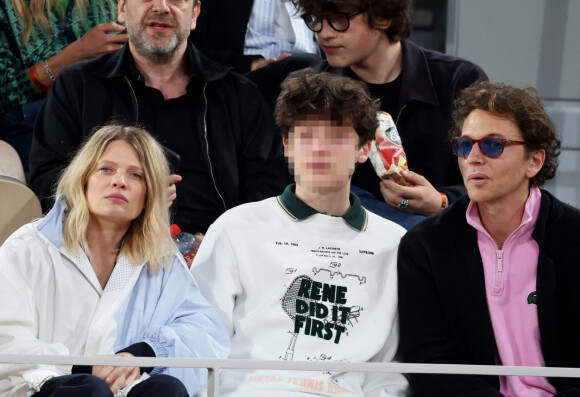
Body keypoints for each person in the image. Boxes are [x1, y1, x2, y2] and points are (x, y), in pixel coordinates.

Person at [190, 71, 433, 397]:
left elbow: (389, 362)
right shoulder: (237, 226)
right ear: (286, 146)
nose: (320, 147)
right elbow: (200, 335)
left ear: (365, 149)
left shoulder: (394, 244)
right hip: (251, 396)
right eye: (306, 134)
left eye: (339, 135)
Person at [0, 124, 230, 397]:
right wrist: (88, 370)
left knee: (167, 392)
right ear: (83, 178)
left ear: (153, 194)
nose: (119, 181)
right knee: (86, 393)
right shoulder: (29, 247)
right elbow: (7, 338)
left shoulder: (160, 259)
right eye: (106, 169)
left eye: (136, 175)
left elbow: (207, 337)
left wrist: (140, 354)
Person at [397, 81, 580, 397]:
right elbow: (428, 363)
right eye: (465, 145)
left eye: (493, 145)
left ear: (534, 161)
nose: (474, 157)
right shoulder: (425, 246)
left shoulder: (575, 238)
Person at [28, 0, 290, 234]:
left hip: (218, 258)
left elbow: (269, 189)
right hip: (108, 253)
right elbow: (45, 183)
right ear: (121, 8)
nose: (162, 7)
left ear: (195, 13)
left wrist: (224, 243)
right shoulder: (78, 86)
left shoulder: (239, 95)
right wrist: (118, 193)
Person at [287, 0, 487, 228]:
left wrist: (441, 202)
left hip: (433, 241)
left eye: (339, 19)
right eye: (315, 19)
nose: (324, 33)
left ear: (383, 17)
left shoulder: (457, 81)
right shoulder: (306, 91)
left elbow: (493, 177)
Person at [0, 0, 127, 172]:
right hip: (33, 124)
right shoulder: (7, 8)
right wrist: (76, 54)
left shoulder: (108, 4)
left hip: (106, 111)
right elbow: (5, 92)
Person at [192, 0, 321, 108]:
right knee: (305, 67)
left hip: (316, 74)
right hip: (244, 78)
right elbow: (197, 50)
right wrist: (251, 64)